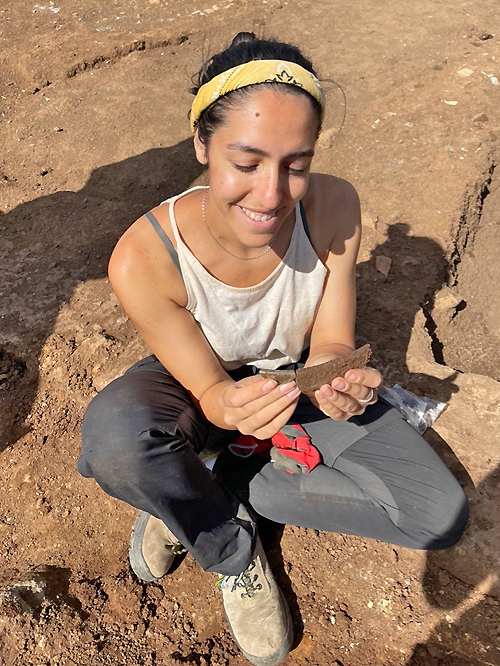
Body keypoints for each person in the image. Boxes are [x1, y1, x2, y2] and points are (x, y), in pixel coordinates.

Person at [78, 33, 468, 666]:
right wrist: (226, 404)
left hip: (294, 380)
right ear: (202, 144)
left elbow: (332, 342)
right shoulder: (145, 256)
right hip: (205, 378)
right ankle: (229, 548)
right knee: (117, 440)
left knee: (437, 516)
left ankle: (198, 493)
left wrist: (338, 382)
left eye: (295, 163)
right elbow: (208, 391)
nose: (271, 194)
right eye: (247, 161)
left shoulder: (333, 205)